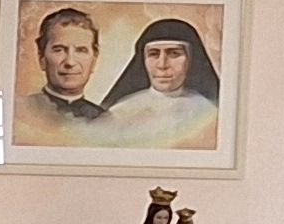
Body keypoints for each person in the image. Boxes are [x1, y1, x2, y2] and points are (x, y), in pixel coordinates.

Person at [95, 16, 226, 150]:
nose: (162, 65)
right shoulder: (120, 113)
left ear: (191, 59)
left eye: (174, 54)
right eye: (153, 54)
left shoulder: (211, 113)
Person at [20, 7, 111, 136]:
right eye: (59, 50)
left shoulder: (105, 122)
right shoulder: (22, 113)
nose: (70, 62)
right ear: (42, 58)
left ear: (94, 60)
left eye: (80, 50)